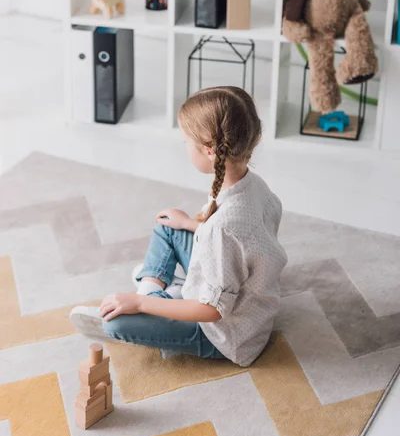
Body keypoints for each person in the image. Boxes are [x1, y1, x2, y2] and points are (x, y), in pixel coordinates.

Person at [70, 86, 287, 367]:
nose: (184, 147)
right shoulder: (252, 185)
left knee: (116, 325)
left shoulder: (221, 229)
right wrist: (189, 224)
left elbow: (213, 311)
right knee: (168, 226)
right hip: (239, 287)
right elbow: (245, 244)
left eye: (186, 141)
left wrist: (141, 305)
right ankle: (159, 292)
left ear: (209, 150)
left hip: (224, 334)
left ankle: (152, 296)